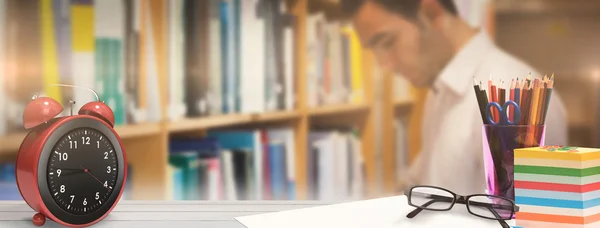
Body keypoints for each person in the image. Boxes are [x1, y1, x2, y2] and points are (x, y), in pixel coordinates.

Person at [341, 0, 568, 195]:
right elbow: (428, 182)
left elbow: (520, 220)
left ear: (431, 13)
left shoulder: (511, 94)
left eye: (388, 42)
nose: (385, 64)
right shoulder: (441, 92)